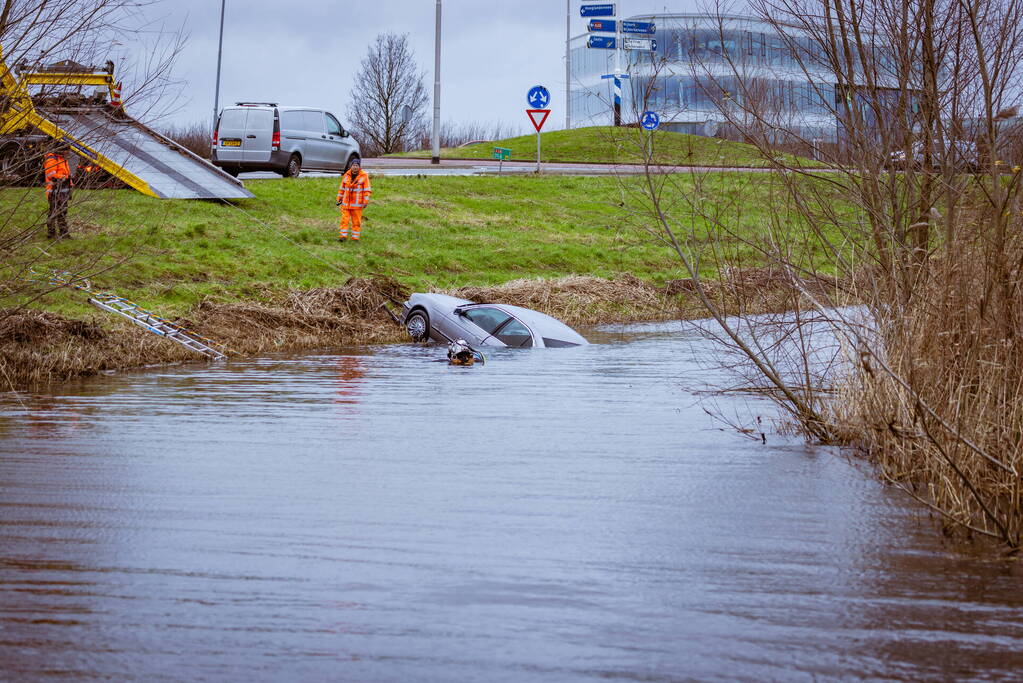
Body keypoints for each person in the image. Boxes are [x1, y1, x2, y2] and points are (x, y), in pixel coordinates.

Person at [335, 159, 371, 242]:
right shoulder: (346, 175)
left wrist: (365, 201)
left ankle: (355, 238)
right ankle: (343, 237)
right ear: (351, 166)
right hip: (346, 204)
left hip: (357, 205)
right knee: (344, 220)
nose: (355, 167)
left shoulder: (364, 176)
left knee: (356, 222)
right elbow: (342, 188)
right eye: (353, 165)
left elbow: (367, 190)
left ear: (359, 167)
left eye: (356, 165)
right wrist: (339, 198)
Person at [43, 146, 73, 239]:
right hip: (53, 191)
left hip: (62, 190)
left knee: (62, 212)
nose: (68, 153)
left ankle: (64, 233)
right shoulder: (52, 159)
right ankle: (51, 234)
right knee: (54, 212)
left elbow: (66, 173)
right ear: (62, 150)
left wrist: (70, 182)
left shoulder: (62, 159)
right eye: (67, 151)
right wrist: (64, 178)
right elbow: (51, 174)